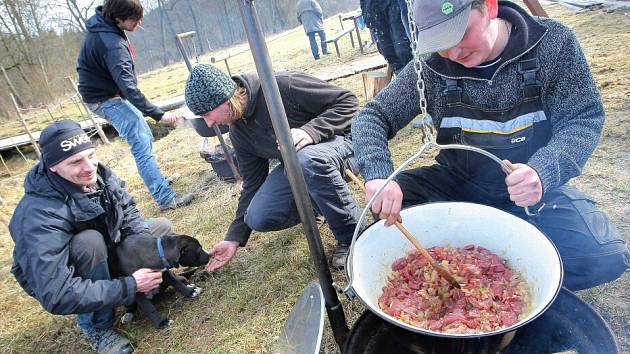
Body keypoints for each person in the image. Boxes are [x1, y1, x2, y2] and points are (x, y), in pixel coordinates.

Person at [352, 0, 629, 291]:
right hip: (457, 185)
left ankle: (513, 285)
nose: (454, 53)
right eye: (441, 42)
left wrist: (543, 171)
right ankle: (458, 274)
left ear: (490, 7)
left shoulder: (553, 43)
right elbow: (372, 116)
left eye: (461, 35)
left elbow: (582, 117)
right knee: (390, 206)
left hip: (529, 193)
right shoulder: (431, 67)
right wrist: (378, 174)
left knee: (602, 256)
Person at [9, 120, 173, 354]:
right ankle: (97, 325)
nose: (89, 167)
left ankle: (147, 289)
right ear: (53, 166)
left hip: (107, 249)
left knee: (159, 229)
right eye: (76, 162)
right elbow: (57, 293)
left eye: (91, 155)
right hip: (71, 271)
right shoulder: (38, 216)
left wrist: (142, 254)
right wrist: (130, 284)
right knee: (89, 242)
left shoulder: (98, 175)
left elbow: (128, 212)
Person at [184, 64, 361, 270]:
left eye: (207, 114)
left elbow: (348, 101)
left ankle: (353, 235)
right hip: (302, 166)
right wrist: (233, 238)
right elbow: (253, 184)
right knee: (257, 216)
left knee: (305, 159)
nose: (208, 123)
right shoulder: (238, 132)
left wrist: (311, 131)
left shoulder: (283, 86)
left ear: (224, 99)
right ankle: (318, 204)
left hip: (348, 145)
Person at [77, 0, 193, 211]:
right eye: (135, 20)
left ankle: (159, 181)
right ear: (119, 18)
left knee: (145, 136)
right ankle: (165, 198)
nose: (139, 24)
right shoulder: (112, 44)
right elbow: (129, 88)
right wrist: (159, 115)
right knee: (140, 143)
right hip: (104, 99)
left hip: (106, 93)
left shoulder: (104, 25)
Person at [360, 0, 412, 74]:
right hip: (371, 6)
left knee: (403, 49)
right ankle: (404, 80)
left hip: (394, 3)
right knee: (388, 52)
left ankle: (413, 77)